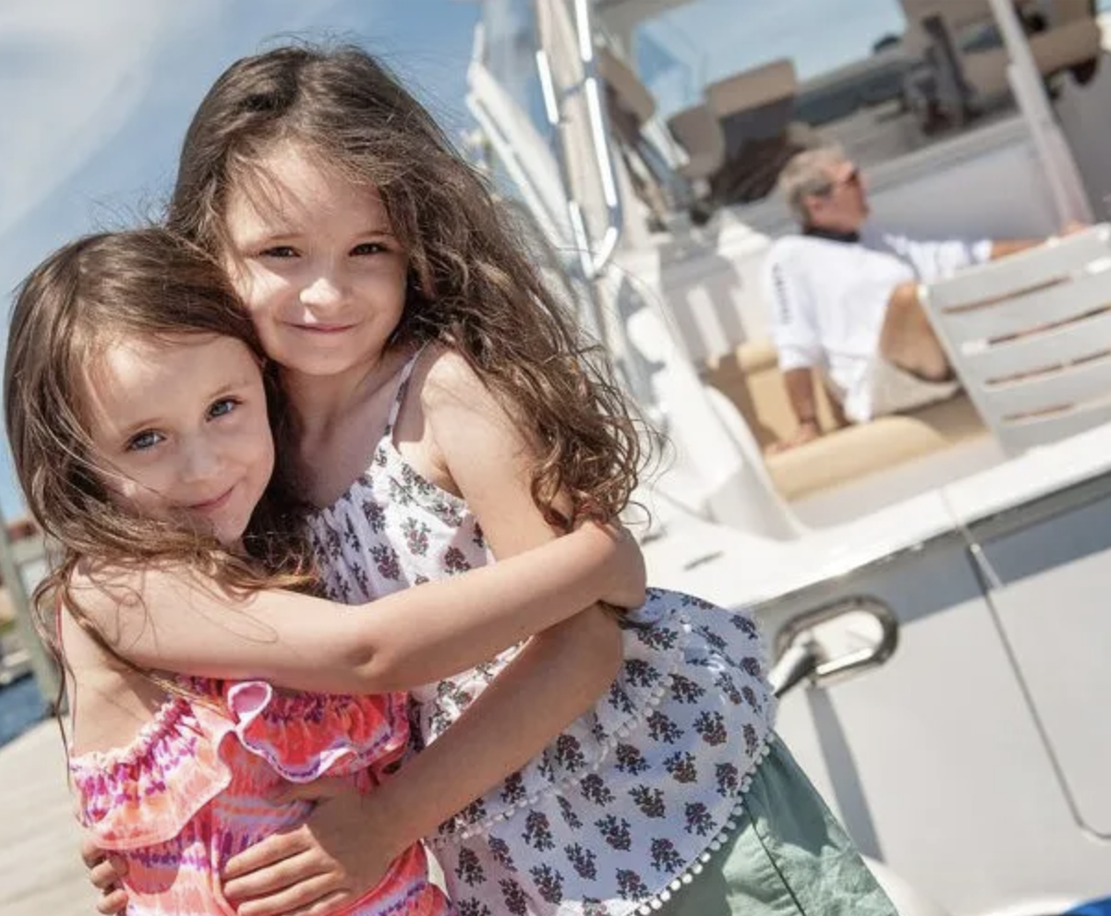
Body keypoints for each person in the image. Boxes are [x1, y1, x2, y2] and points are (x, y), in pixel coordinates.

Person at [86, 44, 897, 916]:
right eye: (281, 251)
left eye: (368, 248)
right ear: (206, 250)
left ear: (415, 244)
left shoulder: (442, 394)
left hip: (673, 815)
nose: (328, 293)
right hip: (514, 872)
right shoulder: (243, 458)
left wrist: (385, 821)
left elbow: (584, 644)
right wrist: (169, 833)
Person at [4, 227, 649, 916]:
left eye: (223, 408)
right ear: (74, 462)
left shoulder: (256, 568)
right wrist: (595, 559)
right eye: (145, 439)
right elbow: (369, 650)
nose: (203, 465)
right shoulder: (116, 587)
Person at [765, 144, 1074, 451]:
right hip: (878, 384)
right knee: (908, 298)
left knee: (1000, 289)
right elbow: (794, 346)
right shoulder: (789, 256)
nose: (865, 184)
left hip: (939, 360)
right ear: (816, 204)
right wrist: (807, 423)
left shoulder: (879, 241)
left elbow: (967, 255)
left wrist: (1056, 245)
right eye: (852, 180)